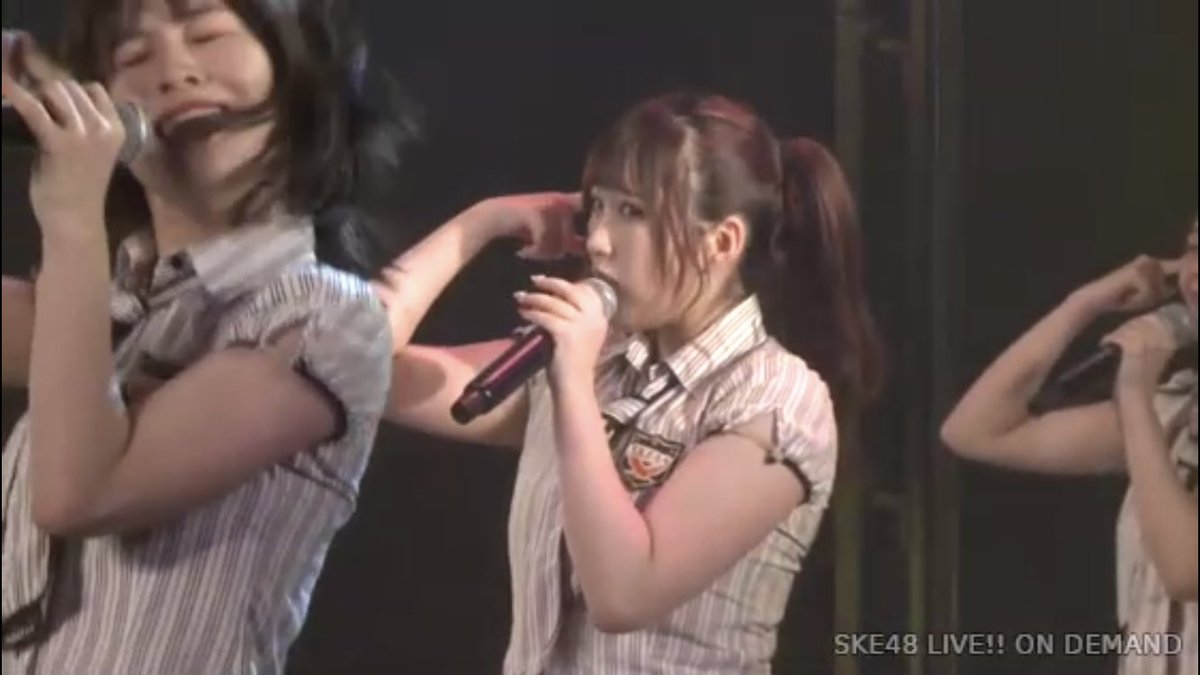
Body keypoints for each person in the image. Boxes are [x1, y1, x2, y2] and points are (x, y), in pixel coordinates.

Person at [375, 92, 885, 673]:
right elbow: (355, 364)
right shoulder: (599, 359)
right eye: (598, 207)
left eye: (632, 213)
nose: (597, 240)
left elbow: (623, 593)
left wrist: (572, 381)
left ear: (721, 243)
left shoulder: (777, 399)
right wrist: (483, 221)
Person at [0, 0, 409, 672]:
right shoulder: (107, 306)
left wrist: (73, 221)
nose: (175, 71)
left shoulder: (324, 319)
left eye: (208, 34)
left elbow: (76, 492)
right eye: (133, 56)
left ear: (294, 69)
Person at [941, 219, 1199, 675]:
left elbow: (1185, 566)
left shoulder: (1147, 409)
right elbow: (976, 430)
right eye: (1194, 250)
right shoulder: (1176, 412)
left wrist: (1133, 393)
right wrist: (1085, 303)